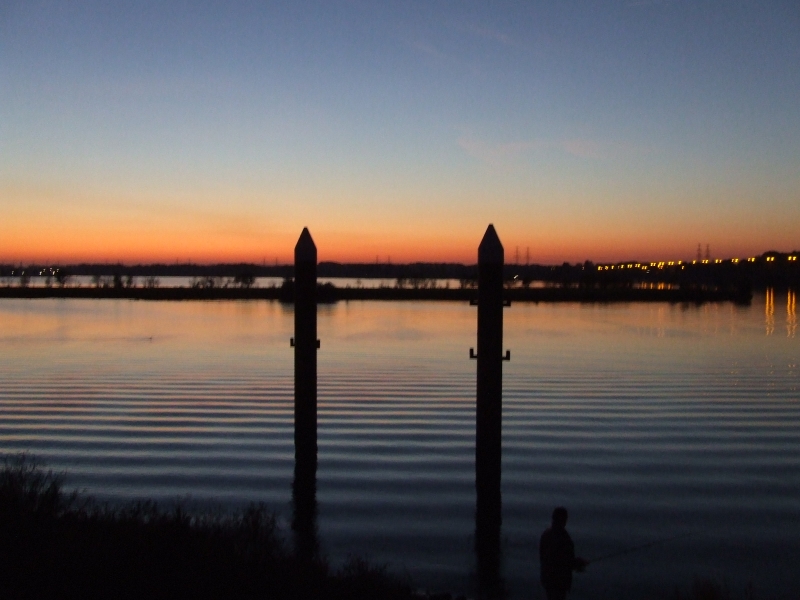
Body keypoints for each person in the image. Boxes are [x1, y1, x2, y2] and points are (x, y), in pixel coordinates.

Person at [539, 507, 588, 600]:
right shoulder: (563, 538)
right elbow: (565, 562)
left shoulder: (545, 534)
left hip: (547, 579)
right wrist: (579, 563)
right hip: (559, 582)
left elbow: (546, 558)